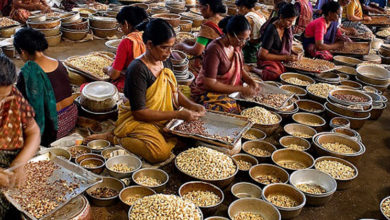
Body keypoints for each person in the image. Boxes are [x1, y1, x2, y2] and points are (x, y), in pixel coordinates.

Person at [86, 19, 205, 163]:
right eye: (164, 47)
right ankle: (116, 138)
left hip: (162, 115)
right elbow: (139, 113)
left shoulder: (165, 60)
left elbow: (174, 90)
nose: (169, 52)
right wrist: (178, 114)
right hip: (138, 120)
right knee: (158, 154)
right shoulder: (138, 69)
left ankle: (166, 136)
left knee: (195, 136)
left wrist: (192, 106)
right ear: (149, 45)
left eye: (171, 47)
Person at [14, 28, 77, 146]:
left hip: (54, 128)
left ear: (22, 51)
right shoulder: (59, 63)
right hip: (71, 118)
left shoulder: (28, 73)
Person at [191, 15, 258, 114]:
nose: (243, 43)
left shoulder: (236, 45)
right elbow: (209, 83)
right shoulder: (214, 49)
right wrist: (241, 89)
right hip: (209, 92)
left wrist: (251, 82)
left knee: (253, 104)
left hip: (229, 91)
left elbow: (239, 69)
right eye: (241, 39)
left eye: (246, 39)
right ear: (230, 34)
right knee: (231, 109)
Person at [0, 55, 41, 218]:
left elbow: (33, 132)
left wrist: (19, 163)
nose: (2, 103)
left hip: (10, 156)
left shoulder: (11, 95)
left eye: (3, 97)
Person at [102, 6, 148, 92]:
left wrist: (107, 69)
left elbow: (114, 75)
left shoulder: (127, 42)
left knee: (84, 86)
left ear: (126, 24)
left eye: (120, 25)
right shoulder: (148, 35)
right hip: (149, 83)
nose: (121, 29)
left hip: (131, 86)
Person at [174, 0, 226, 76]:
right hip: (223, 61)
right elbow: (210, 40)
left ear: (207, 7)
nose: (199, 10)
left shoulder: (208, 25)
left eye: (200, 7)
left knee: (179, 62)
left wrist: (182, 46)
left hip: (214, 64)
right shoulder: (223, 20)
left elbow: (197, 51)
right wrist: (191, 41)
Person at [256, 3, 298, 81]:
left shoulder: (288, 28)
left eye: (293, 21)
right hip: (267, 59)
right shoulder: (272, 29)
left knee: (296, 71)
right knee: (275, 74)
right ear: (281, 17)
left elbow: (285, 46)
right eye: (289, 20)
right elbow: (262, 54)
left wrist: (293, 53)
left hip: (279, 58)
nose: (291, 24)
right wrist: (285, 57)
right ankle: (253, 69)